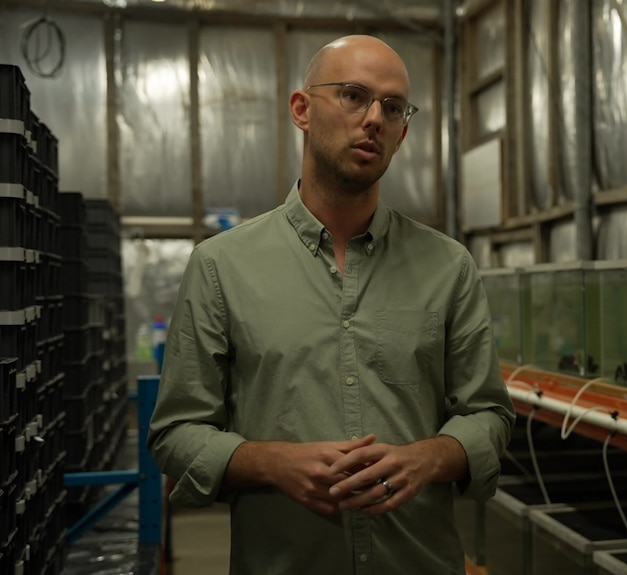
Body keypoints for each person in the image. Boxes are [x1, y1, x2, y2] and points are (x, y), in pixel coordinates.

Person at [147, 34, 516, 575]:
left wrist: (427, 458)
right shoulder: (220, 267)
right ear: (302, 109)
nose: (373, 119)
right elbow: (176, 433)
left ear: (403, 132)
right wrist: (273, 463)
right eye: (352, 96)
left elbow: (489, 414)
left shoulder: (448, 267)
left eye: (392, 108)